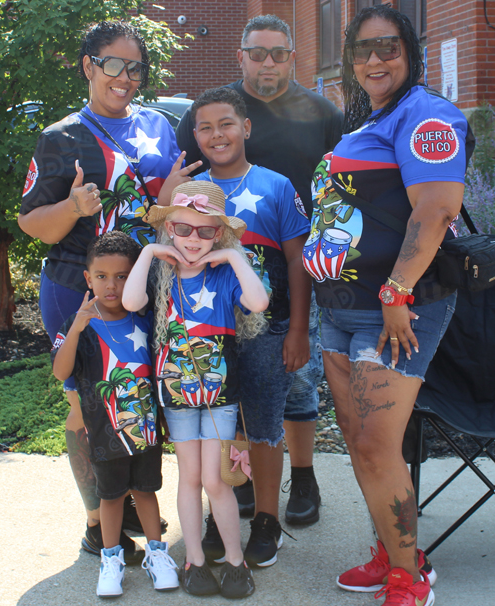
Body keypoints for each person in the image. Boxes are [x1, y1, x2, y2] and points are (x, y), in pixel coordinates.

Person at [303, 5, 470, 606]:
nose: (376, 60)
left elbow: (435, 211)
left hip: (393, 311)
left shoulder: (428, 116)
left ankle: (410, 577)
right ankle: (393, 551)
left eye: (389, 48)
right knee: (359, 439)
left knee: (374, 444)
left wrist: (396, 292)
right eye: (364, 50)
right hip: (339, 308)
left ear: (411, 53)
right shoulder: (371, 118)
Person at [18, 20, 197, 558]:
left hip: (148, 286)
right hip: (81, 289)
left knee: (139, 396)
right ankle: (98, 519)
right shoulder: (62, 137)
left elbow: (166, 207)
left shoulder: (161, 126)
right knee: (85, 405)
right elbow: (32, 223)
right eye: (113, 64)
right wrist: (73, 207)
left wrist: (167, 198)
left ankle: (135, 502)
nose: (125, 77)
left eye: (135, 66)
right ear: (88, 65)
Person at [177, 13, 343, 529]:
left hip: (296, 266)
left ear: (292, 56)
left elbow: (340, 186)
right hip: (220, 277)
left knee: (296, 383)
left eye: (277, 53)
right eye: (256, 52)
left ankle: (304, 474)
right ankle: (240, 480)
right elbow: (184, 186)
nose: (267, 62)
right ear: (241, 55)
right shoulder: (214, 109)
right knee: (231, 385)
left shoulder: (321, 112)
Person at [123, 181, 268, 598]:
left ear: (219, 235)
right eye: (183, 229)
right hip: (178, 396)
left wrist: (232, 256)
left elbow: (257, 302)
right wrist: (150, 251)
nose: (193, 240)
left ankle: (236, 563)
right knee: (189, 477)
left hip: (220, 396)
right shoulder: (159, 272)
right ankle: (196, 562)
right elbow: (132, 303)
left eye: (206, 232)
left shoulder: (225, 275)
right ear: (169, 228)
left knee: (216, 480)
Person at [186, 87, 312, 567]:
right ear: (196, 134)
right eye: (206, 127)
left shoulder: (276, 186)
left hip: (268, 331)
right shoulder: (191, 194)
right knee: (213, 428)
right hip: (207, 337)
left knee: (262, 426)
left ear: (246, 128)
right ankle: (219, 518)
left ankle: (265, 520)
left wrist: (298, 329)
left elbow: (298, 263)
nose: (217, 135)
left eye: (226, 124)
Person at [51, 231, 178, 598]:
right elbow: (62, 374)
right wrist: (75, 326)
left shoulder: (146, 320)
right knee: (111, 497)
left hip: (146, 432)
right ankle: (111, 560)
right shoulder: (80, 326)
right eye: (102, 276)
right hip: (105, 435)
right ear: (88, 278)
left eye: (122, 276)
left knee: (146, 490)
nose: (112, 285)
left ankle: (157, 555)